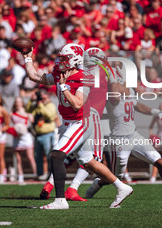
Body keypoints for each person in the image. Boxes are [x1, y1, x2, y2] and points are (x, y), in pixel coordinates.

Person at [22, 43, 133, 209]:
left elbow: (77, 104)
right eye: (60, 58)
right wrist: (27, 58)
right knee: (88, 162)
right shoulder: (60, 73)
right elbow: (35, 77)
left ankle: (60, 201)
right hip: (68, 123)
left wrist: (63, 87)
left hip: (81, 122)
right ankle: (122, 187)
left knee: (57, 155)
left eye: (64, 58)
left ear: (74, 59)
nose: (61, 61)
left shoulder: (84, 76)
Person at [85, 74, 162, 200]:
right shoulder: (112, 93)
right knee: (117, 176)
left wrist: (156, 112)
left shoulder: (129, 91)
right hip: (119, 140)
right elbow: (115, 97)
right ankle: (97, 184)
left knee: (158, 160)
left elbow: (137, 105)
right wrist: (112, 78)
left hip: (134, 135)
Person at [26, 89, 57, 180]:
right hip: (37, 134)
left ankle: (50, 174)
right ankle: (39, 174)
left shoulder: (50, 105)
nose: (42, 99)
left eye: (43, 97)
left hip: (48, 134)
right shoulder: (36, 106)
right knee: (37, 156)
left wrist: (41, 105)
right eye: (40, 98)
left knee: (48, 155)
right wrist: (32, 100)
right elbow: (27, 110)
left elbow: (49, 115)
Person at [11, 97, 36, 183]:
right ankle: (20, 176)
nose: (18, 104)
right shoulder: (12, 114)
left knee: (30, 157)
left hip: (26, 137)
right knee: (18, 158)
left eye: (19, 102)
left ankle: (35, 174)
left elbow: (32, 122)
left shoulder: (27, 114)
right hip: (17, 137)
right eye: (16, 102)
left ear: (22, 103)